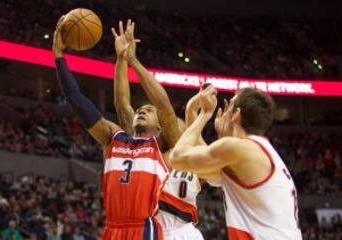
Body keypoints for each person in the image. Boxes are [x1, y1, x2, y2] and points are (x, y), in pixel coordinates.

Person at [52, 17, 169, 240]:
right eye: (140, 110)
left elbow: (164, 106)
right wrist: (59, 55)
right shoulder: (113, 137)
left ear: (161, 127)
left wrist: (132, 59)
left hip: (144, 229)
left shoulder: (162, 145)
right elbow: (76, 99)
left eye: (148, 110)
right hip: (112, 229)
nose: (141, 111)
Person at [170, 86, 303, 239]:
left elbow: (177, 158)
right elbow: (202, 170)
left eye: (229, 107)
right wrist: (191, 112)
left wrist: (204, 115)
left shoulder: (240, 149)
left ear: (236, 114)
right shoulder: (256, 152)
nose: (224, 112)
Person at [112, 20, 204, 240]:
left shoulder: (175, 152)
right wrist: (122, 59)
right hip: (152, 230)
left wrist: (132, 59)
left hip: (181, 231)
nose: (178, 131)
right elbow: (123, 106)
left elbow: (165, 109)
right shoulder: (145, 150)